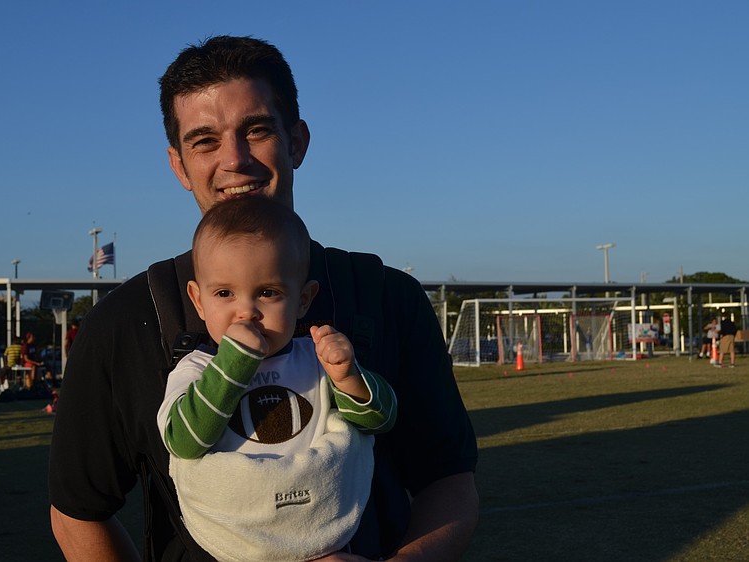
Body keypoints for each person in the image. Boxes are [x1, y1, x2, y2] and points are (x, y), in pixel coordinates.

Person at [49, 35, 478, 562]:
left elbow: (450, 481)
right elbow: (77, 511)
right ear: (179, 165)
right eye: (204, 141)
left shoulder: (387, 296)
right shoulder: (125, 321)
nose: (234, 160)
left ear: (296, 141)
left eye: (256, 130)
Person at [157, 197, 396, 561]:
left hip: (320, 530)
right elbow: (183, 443)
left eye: (268, 293)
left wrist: (347, 376)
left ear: (303, 300)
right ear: (199, 301)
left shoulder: (316, 358)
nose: (246, 311)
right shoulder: (197, 369)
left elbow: (380, 420)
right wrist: (233, 363)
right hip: (238, 535)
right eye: (224, 293)